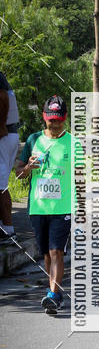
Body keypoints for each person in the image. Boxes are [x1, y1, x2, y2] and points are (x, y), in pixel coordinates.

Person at [15, 96, 73, 314]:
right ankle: (55, 293)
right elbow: (19, 173)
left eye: (58, 119)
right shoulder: (33, 140)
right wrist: (28, 167)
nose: (54, 123)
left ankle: (52, 295)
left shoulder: (72, 143)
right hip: (38, 207)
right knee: (47, 255)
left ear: (65, 118)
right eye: (50, 119)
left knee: (57, 251)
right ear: (44, 117)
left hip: (62, 207)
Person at [0, 71, 20, 241]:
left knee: (0, 185)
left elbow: (3, 95)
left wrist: (1, 125)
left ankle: (8, 229)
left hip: (4, 135)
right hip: (8, 134)